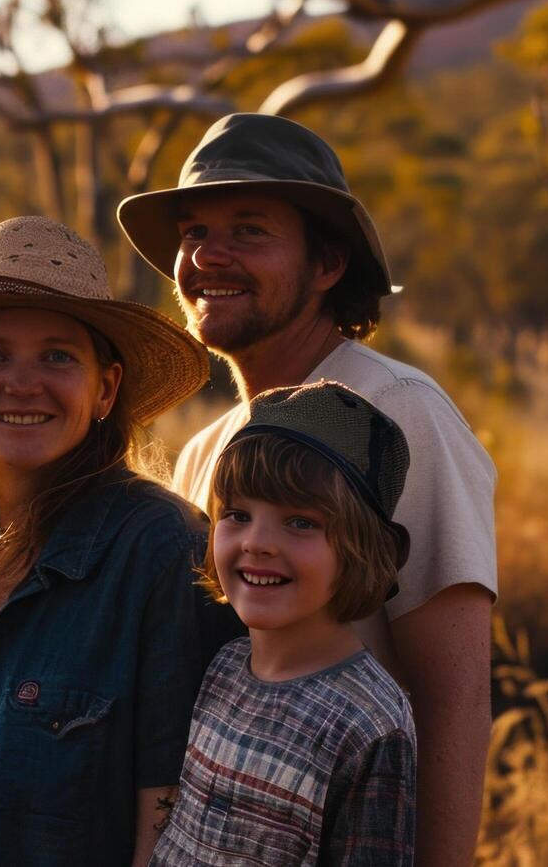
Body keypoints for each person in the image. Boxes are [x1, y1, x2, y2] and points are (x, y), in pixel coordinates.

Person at [118, 113, 496, 866]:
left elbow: (453, 703)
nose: (205, 256)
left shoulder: (397, 412)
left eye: (248, 231)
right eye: (192, 233)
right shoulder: (207, 451)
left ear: (327, 264)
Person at [0, 216, 241, 867]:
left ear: (104, 388)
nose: (21, 383)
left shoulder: (165, 551)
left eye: (57, 356)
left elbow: (165, 821)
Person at [151, 381, 418, 867]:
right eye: (237, 514)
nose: (258, 542)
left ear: (361, 548)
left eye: (299, 522)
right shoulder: (224, 668)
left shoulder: (371, 723)